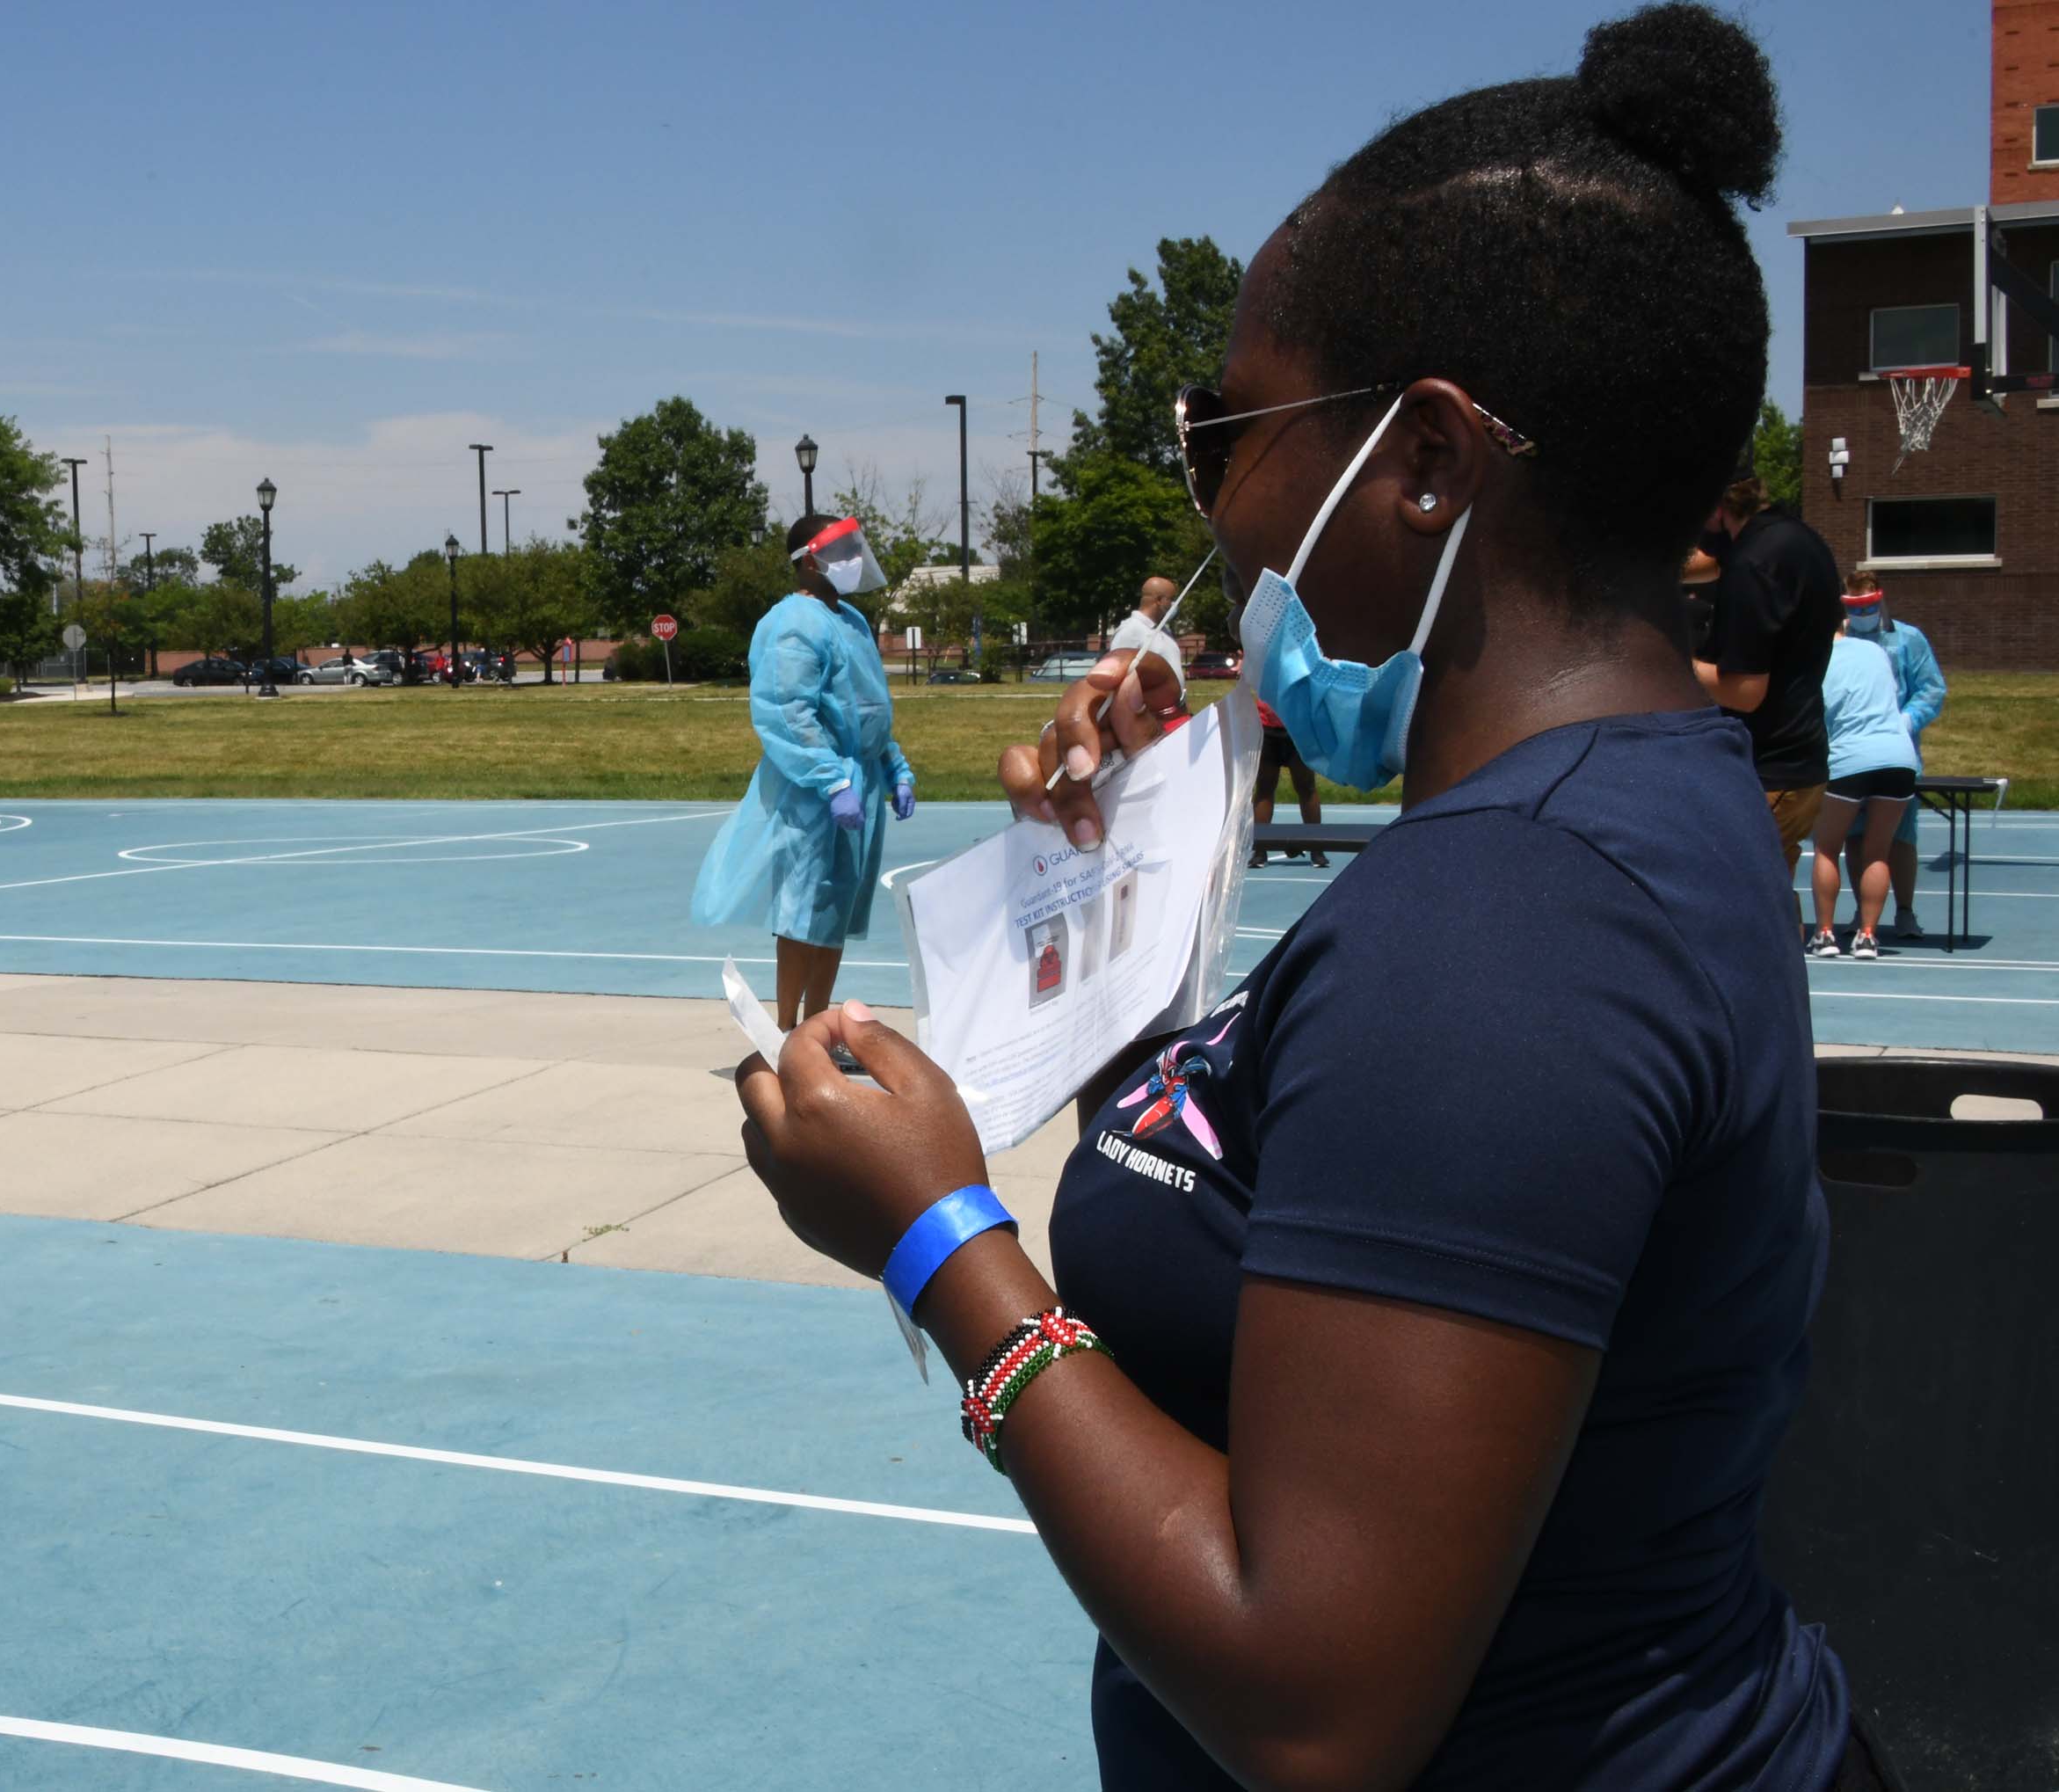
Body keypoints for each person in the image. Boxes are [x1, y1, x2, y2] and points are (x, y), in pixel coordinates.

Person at [735, 7, 1884, 1787]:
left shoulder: (1507, 923)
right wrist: (1130, 855)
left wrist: (936, 1242)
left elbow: (1312, 1701)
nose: (1222, 498)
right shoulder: (1624, 802)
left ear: (1423, 462)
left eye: (1234, 428)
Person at [690, 513, 915, 1028]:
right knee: (801, 909)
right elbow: (786, 711)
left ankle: (818, 1027)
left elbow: (866, 707)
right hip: (811, 794)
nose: (854, 562)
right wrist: (831, 780)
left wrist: (891, 763)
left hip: (856, 781)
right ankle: (788, 1029)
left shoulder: (851, 621)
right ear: (810, 559)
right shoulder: (792, 622)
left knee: (835, 911)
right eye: (843, 552)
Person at [1693, 459, 1841, 909]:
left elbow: (1744, 691)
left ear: (1718, 506)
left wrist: (1664, 658)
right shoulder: (1794, 539)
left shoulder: (1753, 563)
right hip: (1800, 762)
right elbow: (1707, 564)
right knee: (1773, 904)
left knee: (1738, 906)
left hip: (1769, 770)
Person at [1808, 616, 1920, 960]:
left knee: (1827, 847)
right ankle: (1868, 936)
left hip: (1849, 758)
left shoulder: (1814, 660)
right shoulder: (1874, 650)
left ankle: (1825, 934)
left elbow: (1816, 715)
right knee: (1877, 850)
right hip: (1899, 757)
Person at [1844, 573, 1947, 938]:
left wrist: (1909, 719)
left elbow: (1931, 689)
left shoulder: (1907, 639)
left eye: (1869, 605)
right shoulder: (1840, 641)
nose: (1863, 613)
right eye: (1854, 607)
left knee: (1901, 837)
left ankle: (1905, 911)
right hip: (1850, 751)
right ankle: (1863, 910)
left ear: (1881, 600)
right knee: (1854, 836)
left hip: (1897, 752)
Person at [1246, 697, 1329, 870]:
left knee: (1306, 786)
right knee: (1265, 788)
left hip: (1298, 726)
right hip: (1266, 726)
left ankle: (1316, 847)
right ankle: (1260, 849)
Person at [1107, 574, 1186, 686]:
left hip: (1176, 702)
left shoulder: (1164, 630)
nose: (1174, 605)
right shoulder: (1130, 630)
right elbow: (1115, 675)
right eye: (1171, 599)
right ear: (1159, 600)